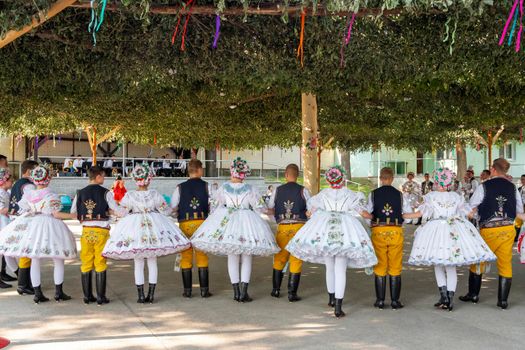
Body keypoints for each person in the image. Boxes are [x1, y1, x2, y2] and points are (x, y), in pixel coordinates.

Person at [286, 166, 378, 318]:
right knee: (340, 269)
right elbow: (364, 213)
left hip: (326, 228)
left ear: (329, 179)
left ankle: (331, 299)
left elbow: (309, 212)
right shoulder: (350, 194)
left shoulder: (323, 194)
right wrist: (374, 216)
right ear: (343, 178)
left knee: (330, 267)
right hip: (345, 229)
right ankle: (338, 307)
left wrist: (312, 215)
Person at [405, 168, 496, 312]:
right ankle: (449, 299)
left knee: (438, 264)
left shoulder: (431, 196)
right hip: (454, 230)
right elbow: (470, 213)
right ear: (449, 181)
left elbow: (421, 213)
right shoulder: (456, 196)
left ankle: (444, 297)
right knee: (450, 265)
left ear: (436, 181)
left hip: (436, 231)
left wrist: (402, 215)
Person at [191, 157, 279, 302]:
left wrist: (217, 217)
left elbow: (213, 205)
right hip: (247, 221)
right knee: (246, 256)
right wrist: (270, 212)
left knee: (232, 255)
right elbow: (260, 207)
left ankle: (236, 292)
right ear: (244, 173)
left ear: (232, 171)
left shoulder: (224, 188)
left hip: (228, 220)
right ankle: (244, 292)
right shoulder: (250, 188)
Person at [103, 164, 190, 303]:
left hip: (135, 226)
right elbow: (165, 211)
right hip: (154, 225)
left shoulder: (130, 195)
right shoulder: (154, 194)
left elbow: (123, 211)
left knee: (138, 262)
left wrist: (109, 211)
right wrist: (176, 209)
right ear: (149, 179)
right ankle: (151, 295)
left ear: (136, 179)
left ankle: (141, 296)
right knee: (152, 260)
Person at [0, 166, 77, 303]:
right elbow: (56, 214)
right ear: (49, 179)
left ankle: (37, 294)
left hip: (34, 224)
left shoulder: (28, 195)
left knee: (34, 258)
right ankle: (58, 292)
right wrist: (73, 215)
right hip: (50, 224)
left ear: (35, 180)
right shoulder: (51, 195)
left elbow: (23, 209)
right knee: (58, 258)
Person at [460, 158, 524, 309]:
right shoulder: (513, 187)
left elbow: (471, 207)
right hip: (508, 229)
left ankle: (473, 295)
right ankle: (503, 301)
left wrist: (475, 215)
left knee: (479, 260)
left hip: (489, 229)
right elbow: (519, 210)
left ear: (493, 169)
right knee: (505, 263)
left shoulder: (484, 186)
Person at [362, 167, 412, 310]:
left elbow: (368, 213)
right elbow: (407, 214)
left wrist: (372, 224)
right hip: (395, 230)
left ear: (380, 178)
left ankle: (380, 301)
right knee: (395, 265)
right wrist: (400, 222)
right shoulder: (400, 195)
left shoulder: (373, 194)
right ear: (392, 179)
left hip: (379, 230)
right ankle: (395, 301)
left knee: (380, 264)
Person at [71, 166, 122, 305]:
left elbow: (73, 211)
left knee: (86, 262)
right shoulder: (106, 193)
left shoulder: (79, 192)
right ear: (98, 176)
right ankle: (101, 297)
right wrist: (115, 212)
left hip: (86, 231)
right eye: (103, 176)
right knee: (100, 262)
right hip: (101, 231)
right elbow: (116, 210)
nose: (104, 179)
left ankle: (87, 297)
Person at [266, 164, 310, 302]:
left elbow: (270, 208)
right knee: (296, 259)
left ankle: (276, 290)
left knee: (279, 258)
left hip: (283, 228)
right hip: (299, 228)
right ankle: (292, 294)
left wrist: (277, 218)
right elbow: (311, 209)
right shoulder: (304, 190)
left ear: (285, 174)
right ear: (298, 175)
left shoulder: (277, 191)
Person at [171, 159, 213, 298]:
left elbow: (172, 207)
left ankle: (187, 291)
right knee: (202, 255)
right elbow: (213, 207)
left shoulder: (179, 187)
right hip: (202, 224)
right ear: (200, 170)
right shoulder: (207, 186)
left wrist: (178, 213)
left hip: (185, 224)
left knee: (186, 255)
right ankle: (204, 290)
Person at [8, 159, 39, 295]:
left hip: (14, 219)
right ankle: (23, 285)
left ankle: (25, 283)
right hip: (25, 220)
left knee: (25, 252)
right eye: (36, 170)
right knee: (27, 252)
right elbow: (31, 204)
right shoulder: (29, 186)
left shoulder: (17, 184)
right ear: (29, 171)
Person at [0, 168, 16, 289]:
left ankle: (18, 272)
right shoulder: (0, 193)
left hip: (5, 221)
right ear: (4, 181)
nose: (12, 182)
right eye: (11, 180)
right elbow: (1, 209)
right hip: (2, 221)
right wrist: (15, 210)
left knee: (6, 249)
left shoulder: (7, 192)